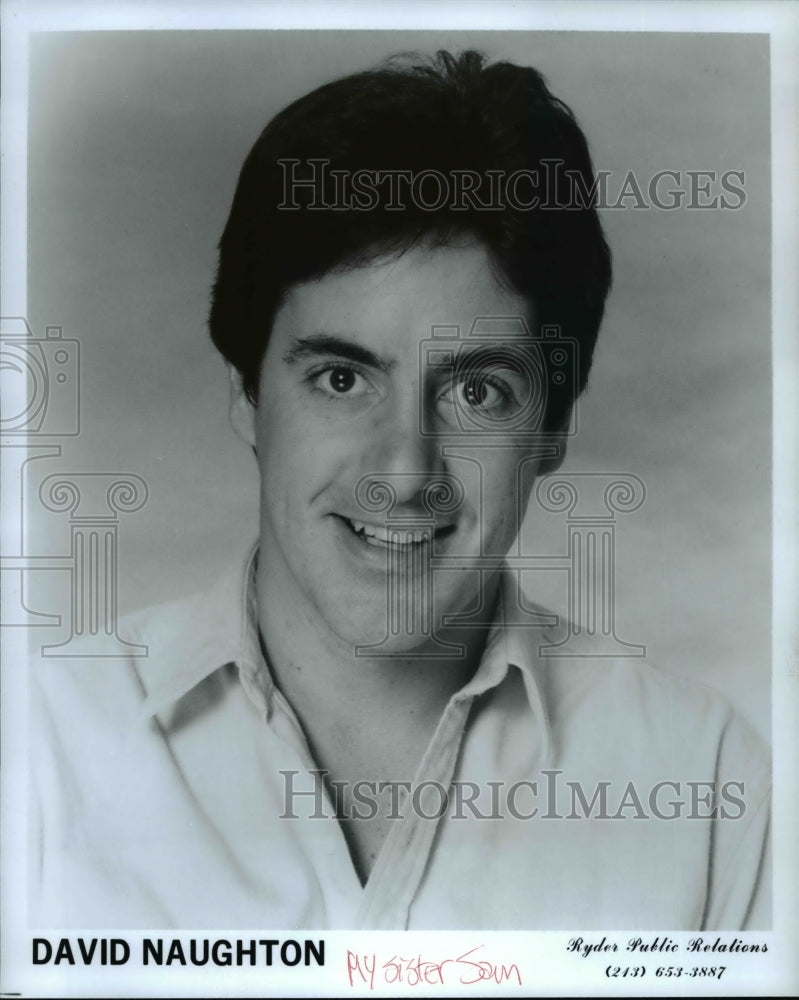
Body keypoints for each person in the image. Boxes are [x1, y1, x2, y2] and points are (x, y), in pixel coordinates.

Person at [30, 50, 770, 929]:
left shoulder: (709, 786)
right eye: (343, 380)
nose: (404, 472)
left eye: (475, 392)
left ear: (552, 431)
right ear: (248, 395)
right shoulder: (38, 749)